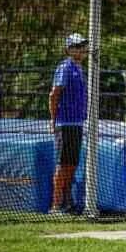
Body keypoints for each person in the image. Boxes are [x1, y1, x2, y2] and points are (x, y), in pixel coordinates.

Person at [48, 33, 88, 214]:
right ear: (69, 49)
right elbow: (54, 94)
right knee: (62, 164)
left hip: (77, 124)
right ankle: (55, 206)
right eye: (77, 46)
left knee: (72, 164)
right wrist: (53, 120)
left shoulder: (80, 69)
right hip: (65, 124)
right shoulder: (65, 68)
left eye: (82, 46)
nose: (81, 49)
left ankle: (67, 201)